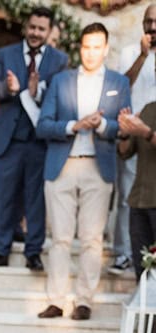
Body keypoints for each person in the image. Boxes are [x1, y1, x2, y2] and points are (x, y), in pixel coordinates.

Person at [36, 22, 131, 320]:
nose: (90, 53)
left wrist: (101, 124)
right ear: (80, 48)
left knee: (92, 239)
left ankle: (84, 301)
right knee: (60, 238)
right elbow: (43, 125)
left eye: (96, 47)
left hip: (98, 168)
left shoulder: (119, 82)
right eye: (86, 47)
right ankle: (56, 300)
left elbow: (123, 127)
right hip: (62, 165)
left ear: (106, 49)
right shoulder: (61, 80)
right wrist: (74, 125)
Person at [0, 6, 67, 270]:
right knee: (5, 197)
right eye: (32, 27)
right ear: (25, 27)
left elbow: (62, 99)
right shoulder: (6, 54)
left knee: (35, 200)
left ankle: (33, 252)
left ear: (49, 31)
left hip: (40, 142)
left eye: (41, 29)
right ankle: (0, 250)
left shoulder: (59, 60)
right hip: (8, 141)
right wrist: (7, 88)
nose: (35, 33)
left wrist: (38, 92)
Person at [109, 3, 156, 276]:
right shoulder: (130, 52)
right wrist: (142, 56)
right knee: (128, 196)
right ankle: (124, 253)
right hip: (132, 131)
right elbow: (120, 86)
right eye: (149, 21)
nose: (153, 27)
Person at [118, 103, 156, 280]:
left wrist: (146, 133)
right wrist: (125, 133)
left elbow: (146, 134)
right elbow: (125, 152)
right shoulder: (148, 109)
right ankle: (143, 298)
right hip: (139, 200)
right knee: (142, 271)